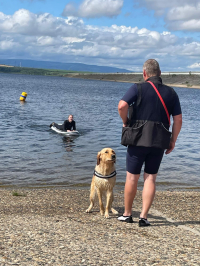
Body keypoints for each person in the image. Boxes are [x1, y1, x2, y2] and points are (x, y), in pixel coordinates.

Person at [117, 59, 182, 226]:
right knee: (150, 178)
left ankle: (127, 214)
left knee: (132, 177)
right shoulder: (171, 93)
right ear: (160, 73)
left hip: (137, 138)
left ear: (144, 73)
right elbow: (178, 120)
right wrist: (173, 140)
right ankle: (144, 217)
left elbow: (122, 106)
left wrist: (126, 121)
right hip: (159, 140)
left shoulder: (137, 88)